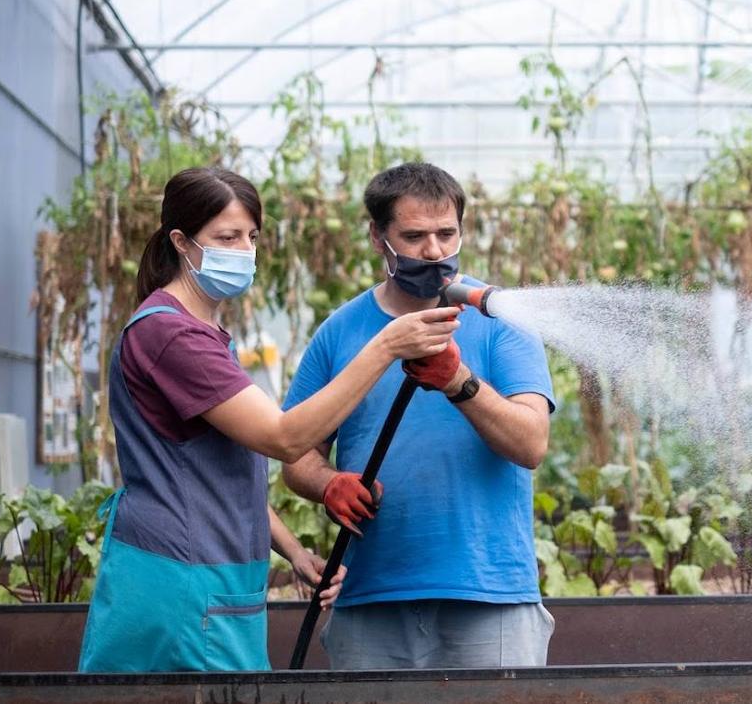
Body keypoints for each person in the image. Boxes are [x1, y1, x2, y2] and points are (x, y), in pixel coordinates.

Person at [77, 167, 460, 672]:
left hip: (212, 573)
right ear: (181, 242)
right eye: (226, 237)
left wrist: (295, 552)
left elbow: (218, 474)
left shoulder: (203, 333)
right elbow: (284, 438)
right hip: (184, 581)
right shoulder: (173, 336)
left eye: (251, 237)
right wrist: (387, 344)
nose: (243, 250)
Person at [282, 162, 556, 669]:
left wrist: (460, 382)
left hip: (489, 594)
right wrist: (327, 484)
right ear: (377, 237)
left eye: (446, 233)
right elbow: (295, 455)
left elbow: (531, 443)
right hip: (370, 598)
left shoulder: (501, 320)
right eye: (413, 236)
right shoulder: (340, 332)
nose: (434, 251)